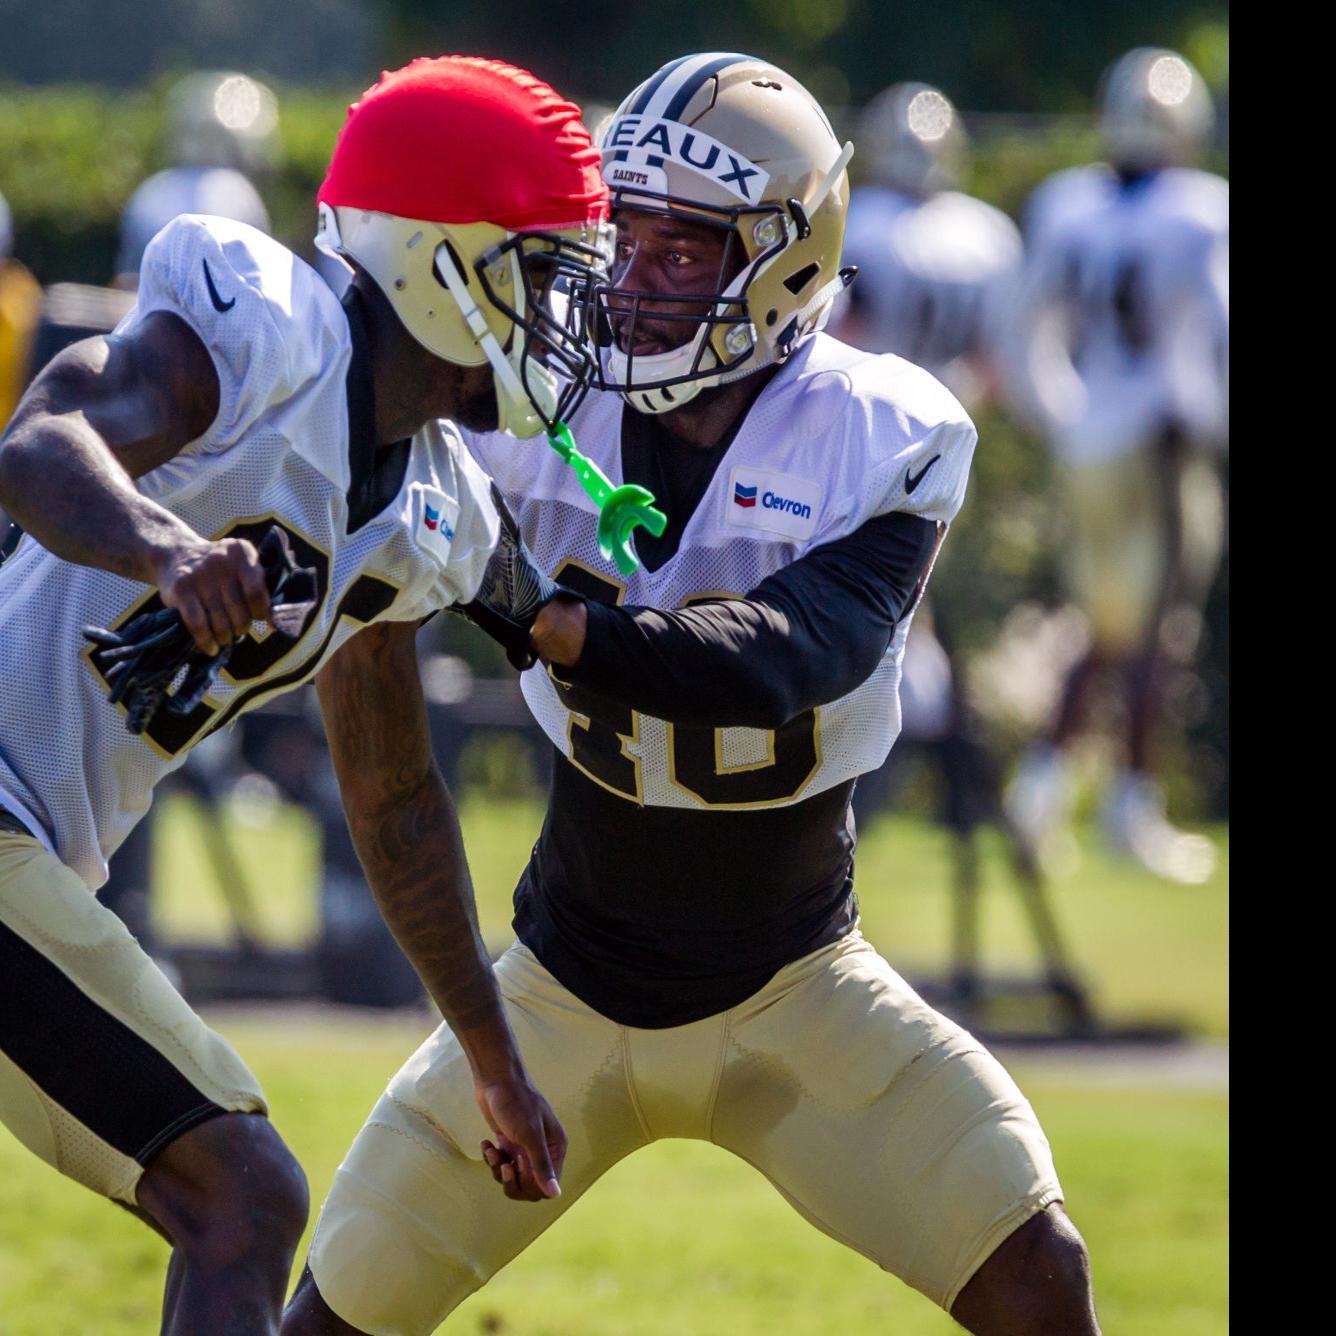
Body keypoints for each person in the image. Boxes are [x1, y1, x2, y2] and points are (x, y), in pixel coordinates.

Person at [284, 53, 1100, 1336]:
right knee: (328, 1320)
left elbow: (787, 651)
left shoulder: (875, 433)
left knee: (1040, 1281)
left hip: (800, 995)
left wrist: (557, 624)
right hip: (555, 996)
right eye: (627, 240)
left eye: (684, 250)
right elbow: (359, 437)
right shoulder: (533, 412)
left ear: (781, 260)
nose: (639, 285)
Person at [0, 55, 611, 1334]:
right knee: (243, 1198)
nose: (563, 321)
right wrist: (162, 547)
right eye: (539, 275)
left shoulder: (429, 507)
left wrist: (494, 1066)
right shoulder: (268, 326)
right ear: (443, 261)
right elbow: (46, 437)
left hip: (39, 852)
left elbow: (390, 795)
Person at [1001, 48, 1228, 884]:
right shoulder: (1202, 209)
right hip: (1160, 441)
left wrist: (1063, 413)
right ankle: (1132, 802)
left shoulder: (1070, 205)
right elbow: (1213, 331)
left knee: (1105, 623)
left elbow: (1024, 327)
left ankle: (1041, 791)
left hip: (1086, 438)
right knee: (1157, 628)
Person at [115, 71, 277, 288]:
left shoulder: (152, 189)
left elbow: (129, 275)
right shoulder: (237, 190)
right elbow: (261, 274)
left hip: (154, 312)